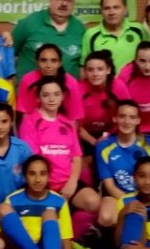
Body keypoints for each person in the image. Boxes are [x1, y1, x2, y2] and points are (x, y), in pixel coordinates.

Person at [19, 76, 101, 215]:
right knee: (52, 212)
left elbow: (76, 157)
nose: (52, 99)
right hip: (43, 183)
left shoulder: (68, 123)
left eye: (56, 94)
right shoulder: (30, 122)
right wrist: (45, 186)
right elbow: (33, 161)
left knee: (94, 202)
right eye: (46, 95)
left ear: (62, 97)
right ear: (38, 98)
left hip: (67, 182)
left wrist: (72, 182)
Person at [0, 155, 74, 249]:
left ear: (48, 176)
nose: (38, 180)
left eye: (42, 174)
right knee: (2, 208)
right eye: (32, 174)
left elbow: (66, 237)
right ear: (25, 177)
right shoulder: (13, 199)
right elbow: (0, 235)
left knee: (50, 213)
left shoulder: (59, 201)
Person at [93, 100, 150, 231]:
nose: (127, 122)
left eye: (132, 117)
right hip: (120, 197)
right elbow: (109, 185)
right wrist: (132, 203)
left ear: (138, 120)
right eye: (122, 116)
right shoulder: (103, 147)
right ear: (115, 118)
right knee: (106, 216)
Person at [11, 0, 86, 78]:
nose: (64, 4)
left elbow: (84, 65)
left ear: (73, 4)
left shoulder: (80, 28)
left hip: (67, 90)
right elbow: (9, 52)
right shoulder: (30, 23)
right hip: (30, 90)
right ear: (50, 0)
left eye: (69, 0)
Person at [81, 0, 148, 73]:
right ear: (101, 11)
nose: (111, 12)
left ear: (125, 10)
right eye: (107, 8)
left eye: (116, 7)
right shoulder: (90, 35)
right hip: (105, 85)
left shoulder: (139, 30)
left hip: (134, 84)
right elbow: (84, 67)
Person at [77, 50, 131, 150]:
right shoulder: (78, 90)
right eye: (90, 70)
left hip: (113, 135)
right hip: (84, 137)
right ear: (85, 72)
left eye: (100, 69)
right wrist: (95, 143)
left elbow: (127, 115)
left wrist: (108, 136)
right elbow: (75, 125)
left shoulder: (118, 87)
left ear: (108, 70)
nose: (95, 74)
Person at [16, 44, 85, 121]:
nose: (48, 65)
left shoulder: (71, 83)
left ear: (60, 63)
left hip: (63, 129)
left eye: (54, 61)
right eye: (43, 60)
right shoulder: (27, 80)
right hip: (34, 127)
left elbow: (74, 118)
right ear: (37, 62)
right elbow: (24, 114)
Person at [0, 103, 34, 207]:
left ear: (11, 122)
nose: (0, 127)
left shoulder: (22, 149)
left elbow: (30, 182)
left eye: (4, 121)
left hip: (19, 207)